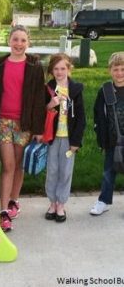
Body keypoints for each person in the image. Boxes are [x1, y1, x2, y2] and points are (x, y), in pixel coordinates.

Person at [0, 25, 46, 232]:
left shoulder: (34, 66)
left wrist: (38, 129)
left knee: (19, 164)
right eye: (15, 39)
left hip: (25, 123)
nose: (19, 44)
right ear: (9, 41)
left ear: (28, 43)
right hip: (3, 121)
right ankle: (3, 212)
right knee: (8, 165)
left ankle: (14, 200)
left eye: (23, 40)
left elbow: (40, 99)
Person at [44, 53, 86, 222]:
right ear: (51, 70)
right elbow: (42, 111)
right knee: (52, 171)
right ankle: (52, 202)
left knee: (65, 172)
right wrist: (50, 104)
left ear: (69, 69)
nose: (59, 72)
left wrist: (76, 141)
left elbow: (81, 118)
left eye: (63, 68)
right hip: (53, 138)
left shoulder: (75, 90)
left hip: (69, 139)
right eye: (56, 69)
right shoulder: (48, 88)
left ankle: (61, 204)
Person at [90, 52, 124, 215]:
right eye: (116, 69)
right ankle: (104, 201)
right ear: (110, 70)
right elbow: (99, 117)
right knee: (109, 172)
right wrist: (102, 141)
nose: (119, 73)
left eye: (123, 69)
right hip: (112, 140)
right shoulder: (105, 91)